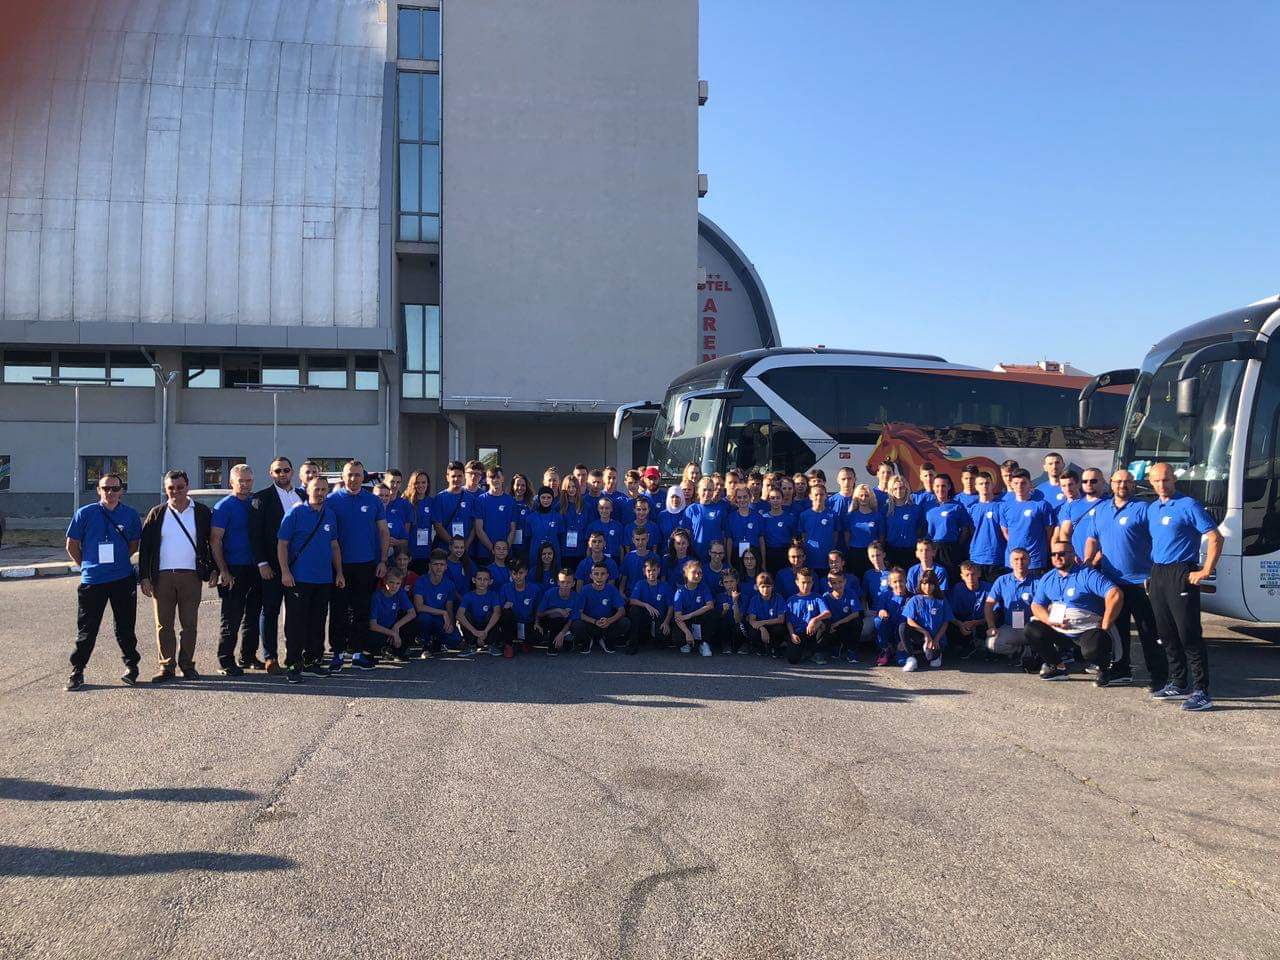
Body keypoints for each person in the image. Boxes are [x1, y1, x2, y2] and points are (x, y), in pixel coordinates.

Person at [1145, 462, 1223, 711]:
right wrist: (1151, 574)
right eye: (1157, 480)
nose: (1162, 484)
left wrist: (1206, 570)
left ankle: (1201, 691)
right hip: (1159, 572)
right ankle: (1178, 683)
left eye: (1166, 479)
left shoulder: (1188, 505)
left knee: (1188, 633)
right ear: (1150, 482)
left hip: (1181, 571)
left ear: (1174, 479)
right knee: (1166, 633)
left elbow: (1215, 536)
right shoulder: (1153, 509)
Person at [1083, 469, 1166, 690]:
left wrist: (1156, 571)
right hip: (1112, 584)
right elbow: (1092, 539)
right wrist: (1088, 560)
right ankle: (1121, 670)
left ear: (1133, 484)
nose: (1122, 485)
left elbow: (1159, 539)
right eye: (1118, 481)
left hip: (1141, 583)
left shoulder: (1144, 509)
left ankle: (1159, 676)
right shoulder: (1101, 509)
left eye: (1127, 482)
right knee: (1118, 632)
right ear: (1111, 483)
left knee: (1148, 632)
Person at [64, 473, 143, 691]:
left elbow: (134, 544)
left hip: (122, 579)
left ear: (122, 491)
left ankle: (131, 667)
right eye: (106, 488)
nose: (110, 492)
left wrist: (119, 561)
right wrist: (86, 565)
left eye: (115, 488)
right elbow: (72, 544)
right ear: (98, 490)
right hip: (93, 581)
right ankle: (77, 670)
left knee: (125, 628)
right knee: (87, 630)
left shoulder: (130, 515)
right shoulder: (85, 513)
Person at [138, 470, 217, 683]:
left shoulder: (201, 512)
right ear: (166, 489)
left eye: (180, 487)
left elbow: (211, 543)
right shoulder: (157, 513)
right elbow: (145, 548)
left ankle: (187, 665)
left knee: (189, 624)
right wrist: (144, 577)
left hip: (191, 576)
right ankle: (166, 666)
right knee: (164, 624)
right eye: (171, 488)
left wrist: (213, 569)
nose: (176, 491)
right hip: (162, 577)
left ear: (187, 486)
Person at [277, 475, 345, 683]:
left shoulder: (329, 514)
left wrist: (339, 572)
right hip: (299, 579)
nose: (321, 493)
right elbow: (282, 544)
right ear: (307, 490)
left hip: (323, 579)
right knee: (296, 623)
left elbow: (334, 545)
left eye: (324, 489)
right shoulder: (295, 513)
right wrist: (285, 571)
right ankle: (293, 664)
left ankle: (312, 662)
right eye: (317, 489)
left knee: (317, 622)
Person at [1027, 537, 1123, 684]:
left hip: (1086, 630)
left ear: (1073, 554)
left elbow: (1115, 594)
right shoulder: (1048, 578)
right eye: (1053, 554)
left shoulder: (1087, 574)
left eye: (1062, 554)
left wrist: (1105, 625)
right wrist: (1050, 620)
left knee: (1092, 649)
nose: (1057, 557)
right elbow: (1036, 605)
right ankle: (1057, 666)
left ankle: (1103, 669)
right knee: (1032, 629)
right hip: (1061, 630)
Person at [326, 460, 390, 672]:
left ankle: (357, 653)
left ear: (364, 477)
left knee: (362, 610)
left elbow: (383, 532)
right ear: (343, 477)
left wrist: (383, 560)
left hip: (366, 565)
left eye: (357, 475)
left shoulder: (373, 501)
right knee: (339, 611)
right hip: (339, 566)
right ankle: (337, 653)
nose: (353, 479)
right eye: (350, 475)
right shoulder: (331, 500)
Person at [249, 456, 306, 673]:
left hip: (299, 568)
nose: (282, 474)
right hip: (271, 567)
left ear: (292, 472)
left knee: (296, 613)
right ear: (271, 474)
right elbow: (255, 535)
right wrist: (262, 563)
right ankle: (270, 656)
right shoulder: (261, 498)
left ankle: (294, 656)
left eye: (286, 470)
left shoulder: (303, 496)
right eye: (277, 471)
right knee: (270, 611)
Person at [212, 464, 263, 676]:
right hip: (233, 569)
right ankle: (225, 660)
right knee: (231, 617)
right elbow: (215, 540)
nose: (245, 484)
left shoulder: (255, 504)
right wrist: (223, 570)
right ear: (231, 482)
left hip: (256, 568)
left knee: (253, 615)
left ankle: (248, 656)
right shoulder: (224, 507)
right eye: (241, 480)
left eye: (248, 480)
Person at [983, 548, 1037, 661]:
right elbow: (989, 605)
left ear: (1029, 561)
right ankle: (1024, 651)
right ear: (1011, 563)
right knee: (991, 643)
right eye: (1016, 559)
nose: (1020, 562)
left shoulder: (1039, 581)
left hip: (1033, 628)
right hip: (1011, 627)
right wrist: (991, 626)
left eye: (1023, 559)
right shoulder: (1002, 581)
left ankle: (1033, 651)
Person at [1000, 469, 1055, 575]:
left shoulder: (1042, 505)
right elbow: (1005, 531)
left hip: (1035, 560)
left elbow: (1049, 531)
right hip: (1013, 560)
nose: (1019, 486)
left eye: (1023, 483)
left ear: (1030, 484)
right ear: (1011, 484)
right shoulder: (1005, 506)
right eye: (1016, 483)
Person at [571, 562, 630, 654]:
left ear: (607, 576)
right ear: (591, 576)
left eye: (602, 574)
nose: (599, 577)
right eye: (596, 574)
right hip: (591, 623)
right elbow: (579, 613)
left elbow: (621, 610)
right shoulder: (585, 589)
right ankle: (588, 640)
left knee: (625, 622)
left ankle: (606, 639)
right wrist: (594, 621)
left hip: (607, 624)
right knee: (576, 625)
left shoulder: (612, 589)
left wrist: (609, 621)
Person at [899, 569, 952, 672]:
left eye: (931, 584)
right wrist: (925, 633)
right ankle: (911, 658)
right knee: (902, 627)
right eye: (924, 583)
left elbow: (945, 623)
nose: (927, 587)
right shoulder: (915, 599)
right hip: (920, 635)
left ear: (935, 585)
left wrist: (936, 639)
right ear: (920, 584)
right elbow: (910, 621)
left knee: (932, 660)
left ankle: (936, 654)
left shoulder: (941, 600)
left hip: (935, 636)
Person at [923, 473, 971, 579]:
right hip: (931, 549)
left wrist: (957, 546)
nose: (940, 489)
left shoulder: (957, 506)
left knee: (951, 578)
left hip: (950, 549)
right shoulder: (927, 506)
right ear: (933, 487)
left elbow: (965, 529)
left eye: (943, 486)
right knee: (932, 579)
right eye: (937, 486)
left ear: (949, 487)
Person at [411, 549, 457, 657]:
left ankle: (437, 644)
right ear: (429, 566)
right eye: (435, 564)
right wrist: (443, 612)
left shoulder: (449, 584)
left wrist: (451, 624)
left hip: (439, 619)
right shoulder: (421, 581)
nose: (439, 567)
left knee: (455, 640)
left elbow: (449, 608)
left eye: (442, 564)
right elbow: (419, 607)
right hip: (425, 616)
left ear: (446, 567)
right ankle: (425, 644)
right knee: (425, 618)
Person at [627, 555, 674, 653]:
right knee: (634, 610)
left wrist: (666, 622)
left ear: (659, 571)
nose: (651, 573)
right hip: (644, 617)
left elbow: (670, 606)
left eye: (654, 570)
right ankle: (633, 644)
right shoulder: (640, 584)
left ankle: (651, 636)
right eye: (649, 571)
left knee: (661, 641)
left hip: (659, 617)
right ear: (644, 571)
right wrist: (646, 605)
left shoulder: (665, 586)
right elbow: (632, 600)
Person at [784, 568, 831, 665]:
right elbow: (788, 621)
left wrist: (814, 620)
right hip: (797, 633)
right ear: (797, 582)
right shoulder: (791, 600)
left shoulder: (817, 597)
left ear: (812, 582)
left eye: (809, 582)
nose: (806, 586)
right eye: (803, 582)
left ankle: (817, 652)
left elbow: (827, 613)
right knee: (793, 660)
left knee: (824, 622)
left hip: (812, 632)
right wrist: (792, 634)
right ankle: (805, 652)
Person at [966, 471, 1007, 582]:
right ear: (976, 486)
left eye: (987, 483)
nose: (984, 486)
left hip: (997, 558)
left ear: (992, 484)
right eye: (981, 484)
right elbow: (967, 532)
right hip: (976, 558)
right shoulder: (971, 509)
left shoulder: (1001, 506)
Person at [368, 569, 416, 663]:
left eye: (398, 583)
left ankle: (398, 649)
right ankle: (384, 650)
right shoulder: (377, 596)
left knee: (413, 624)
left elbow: (412, 613)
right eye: (391, 582)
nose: (394, 586)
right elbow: (372, 625)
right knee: (372, 637)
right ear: (385, 581)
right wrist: (393, 633)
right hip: (380, 630)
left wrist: (396, 626)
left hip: (392, 627)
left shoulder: (400, 592)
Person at [673, 558, 717, 656]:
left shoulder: (704, 588)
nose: (697, 575)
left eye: (700, 573)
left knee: (712, 614)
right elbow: (678, 617)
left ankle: (704, 643)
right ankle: (687, 642)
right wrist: (687, 632)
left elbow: (710, 605)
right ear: (686, 574)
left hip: (699, 620)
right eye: (694, 572)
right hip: (686, 623)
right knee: (678, 636)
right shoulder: (680, 592)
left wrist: (689, 615)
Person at [497, 559, 541, 656]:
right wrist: (504, 607)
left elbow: (538, 608)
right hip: (512, 624)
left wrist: (537, 623)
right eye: (514, 573)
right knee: (506, 613)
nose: (517, 576)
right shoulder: (505, 588)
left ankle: (526, 642)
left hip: (527, 623)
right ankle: (508, 645)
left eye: (521, 573)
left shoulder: (534, 589)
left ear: (526, 572)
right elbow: (499, 610)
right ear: (510, 573)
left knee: (538, 635)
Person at [474, 466, 516, 565]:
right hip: (485, 553)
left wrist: (504, 550)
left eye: (498, 477)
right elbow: (479, 529)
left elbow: (513, 529)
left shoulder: (511, 501)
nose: (495, 480)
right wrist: (493, 549)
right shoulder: (480, 500)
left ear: (503, 479)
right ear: (487, 480)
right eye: (492, 477)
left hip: (505, 555)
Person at [947, 561, 990, 656]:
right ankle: (967, 645)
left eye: (973, 574)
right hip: (964, 622)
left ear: (979, 574)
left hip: (983, 621)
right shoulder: (957, 588)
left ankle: (986, 646)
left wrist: (977, 622)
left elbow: (996, 614)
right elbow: (949, 612)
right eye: (967, 575)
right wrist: (960, 624)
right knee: (950, 627)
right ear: (962, 576)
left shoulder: (988, 588)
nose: (970, 578)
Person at [841, 484, 884, 578]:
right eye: (861, 495)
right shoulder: (850, 516)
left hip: (872, 554)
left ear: (870, 497)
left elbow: (881, 537)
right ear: (856, 497)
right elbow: (847, 536)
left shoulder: (877, 516)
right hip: (855, 553)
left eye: (866, 495)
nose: (863, 498)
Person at [883, 475, 925, 570]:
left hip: (911, 551)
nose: (898, 491)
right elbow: (882, 531)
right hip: (891, 551)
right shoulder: (886, 509)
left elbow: (921, 529)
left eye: (901, 488)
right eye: (895, 488)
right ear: (891, 490)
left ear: (906, 489)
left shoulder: (915, 509)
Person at [872, 568, 912, 666]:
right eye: (895, 582)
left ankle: (901, 650)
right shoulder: (886, 595)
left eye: (901, 581)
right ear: (890, 583)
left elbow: (914, 620)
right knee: (878, 621)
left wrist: (904, 640)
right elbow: (879, 610)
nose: (898, 584)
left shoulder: (912, 598)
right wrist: (882, 612)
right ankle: (886, 649)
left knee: (902, 662)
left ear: (906, 581)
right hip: (889, 629)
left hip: (903, 632)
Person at [798, 482, 839, 576]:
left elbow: (835, 535)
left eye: (821, 494)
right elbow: (803, 535)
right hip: (810, 558)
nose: (819, 497)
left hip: (827, 558)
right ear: (810, 496)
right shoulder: (804, 515)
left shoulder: (833, 515)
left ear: (826, 496)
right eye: (816, 494)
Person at [536, 569, 581, 655]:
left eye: (568, 582)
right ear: (558, 582)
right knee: (556, 616)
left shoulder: (576, 597)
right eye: (562, 582)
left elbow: (571, 620)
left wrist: (562, 633)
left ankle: (567, 637)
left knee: (577, 626)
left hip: (566, 624)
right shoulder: (549, 594)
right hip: (550, 621)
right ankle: (552, 645)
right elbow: (539, 613)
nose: (565, 585)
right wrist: (557, 610)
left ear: (573, 583)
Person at [822, 569, 863, 663]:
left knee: (857, 622)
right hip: (832, 627)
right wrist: (832, 625)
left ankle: (851, 650)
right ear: (829, 584)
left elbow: (856, 613)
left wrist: (838, 623)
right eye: (834, 583)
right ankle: (835, 647)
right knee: (824, 624)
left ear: (845, 581)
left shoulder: (850, 593)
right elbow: (824, 614)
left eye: (840, 582)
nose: (838, 585)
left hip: (845, 624)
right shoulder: (826, 596)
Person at [433, 461, 475, 552]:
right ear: (447, 477)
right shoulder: (439, 498)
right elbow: (438, 526)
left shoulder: (470, 498)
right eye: (453, 476)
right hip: (445, 549)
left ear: (464, 477)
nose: (456, 479)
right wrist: (453, 544)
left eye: (460, 476)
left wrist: (465, 545)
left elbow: (474, 526)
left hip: (466, 550)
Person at [746, 572, 788, 657]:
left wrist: (762, 622)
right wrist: (762, 629)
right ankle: (761, 647)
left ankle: (775, 647)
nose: (765, 590)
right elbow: (752, 620)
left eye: (768, 586)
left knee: (780, 629)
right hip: (760, 627)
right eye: (762, 587)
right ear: (757, 587)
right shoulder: (754, 599)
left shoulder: (779, 598)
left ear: (772, 586)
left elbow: (781, 619)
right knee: (752, 633)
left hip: (773, 625)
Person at [726, 486, 766, 571]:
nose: (742, 500)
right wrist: (728, 561)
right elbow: (729, 540)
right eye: (739, 497)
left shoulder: (758, 517)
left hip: (754, 554)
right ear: (735, 499)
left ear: (750, 497)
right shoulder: (730, 517)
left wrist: (763, 562)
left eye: (745, 497)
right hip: (737, 554)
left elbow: (761, 540)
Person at [526, 485, 564, 572]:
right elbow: (528, 538)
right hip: (536, 553)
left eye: (549, 497)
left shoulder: (558, 517)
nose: (546, 500)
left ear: (553, 499)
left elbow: (560, 537)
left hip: (554, 554)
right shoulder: (531, 518)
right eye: (543, 497)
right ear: (539, 499)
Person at [761, 488, 798, 574]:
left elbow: (795, 537)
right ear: (769, 500)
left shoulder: (790, 517)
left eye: (778, 498)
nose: (775, 500)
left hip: (785, 553)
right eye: (772, 498)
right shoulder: (763, 518)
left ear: (782, 499)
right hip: (769, 553)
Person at [406, 469, 435, 573]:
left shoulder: (432, 502)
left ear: (428, 484)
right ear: (412, 484)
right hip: (408, 553)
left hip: (425, 552)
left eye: (423, 482)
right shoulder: (406, 502)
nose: (421, 485)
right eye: (417, 483)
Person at [559, 475, 590, 569]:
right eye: (568, 487)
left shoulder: (586, 506)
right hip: (564, 551)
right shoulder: (559, 506)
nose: (571, 489)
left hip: (580, 549)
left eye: (574, 486)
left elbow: (589, 529)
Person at [383, 469, 414, 558]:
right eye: (392, 481)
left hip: (397, 555)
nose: (395, 485)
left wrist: (397, 542)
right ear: (385, 482)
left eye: (398, 482)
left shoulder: (405, 505)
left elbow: (406, 537)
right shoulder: (376, 503)